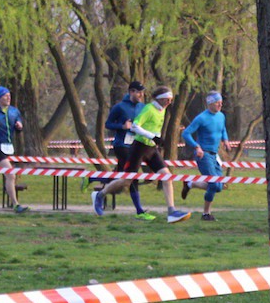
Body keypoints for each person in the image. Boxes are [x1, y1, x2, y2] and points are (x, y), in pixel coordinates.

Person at [93, 85, 191, 223]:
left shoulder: (162, 109)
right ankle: (100, 194)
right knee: (127, 181)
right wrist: (153, 137)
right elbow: (135, 126)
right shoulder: (149, 109)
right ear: (159, 99)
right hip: (138, 148)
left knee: (167, 176)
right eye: (167, 99)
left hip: (151, 149)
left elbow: (153, 128)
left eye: (171, 99)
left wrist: (156, 139)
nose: (169, 102)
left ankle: (171, 211)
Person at [97, 80, 156, 220]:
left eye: (142, 92)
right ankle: (139, 211)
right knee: (131, 176)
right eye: (139, 92)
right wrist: (122, 127)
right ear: (131, 92)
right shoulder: (119, 107)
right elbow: (108, 124)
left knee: (123, 176)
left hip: (136, 145)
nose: (141, 95)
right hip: (121, 145)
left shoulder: (143, 107)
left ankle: (93, 180)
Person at [180, 91, 234, 221]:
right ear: (210, 103)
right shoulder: (201, 118)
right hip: (203, 154)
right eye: (217, 103)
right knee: (214, 184)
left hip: (215, 155)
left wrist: (226, 140)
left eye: (221, 102)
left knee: (219, 186)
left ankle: (190, 183)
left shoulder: (221, 116)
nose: (220, 105)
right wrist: (196, 147)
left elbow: (223, 129)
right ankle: (206, 214)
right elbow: (186, 133)